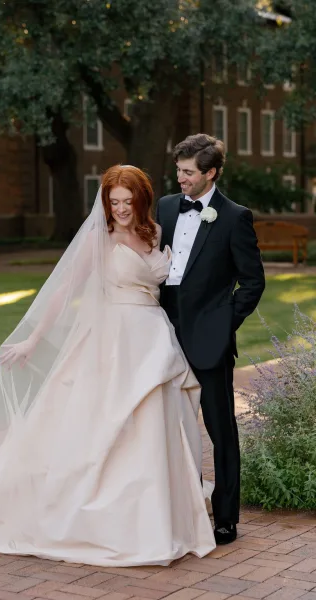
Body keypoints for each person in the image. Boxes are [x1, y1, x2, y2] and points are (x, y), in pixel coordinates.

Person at [0, 165, 216, 566]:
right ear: (105, 203)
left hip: (153, 339)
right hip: (112, 342)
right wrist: (32, 340)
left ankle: (156, 511)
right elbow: (64, 292)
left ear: (141, 200)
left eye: (128, 202)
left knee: (155, 423)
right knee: (103, 423)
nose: (122, 209)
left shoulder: (155, 233)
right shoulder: (100, 237)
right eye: (114, 202)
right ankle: (108, 515)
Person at [157, 134, 265, 545]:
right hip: (164, 337)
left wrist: (224, 323)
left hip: (211, 341)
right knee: (175, 428)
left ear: (210, 173)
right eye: (178, 171)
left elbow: (253, 283)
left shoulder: (235, 217)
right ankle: (187, 509)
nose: (179, 179)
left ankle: (225, 518)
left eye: (187, 173)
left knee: (221, 431)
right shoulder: (167, 206)